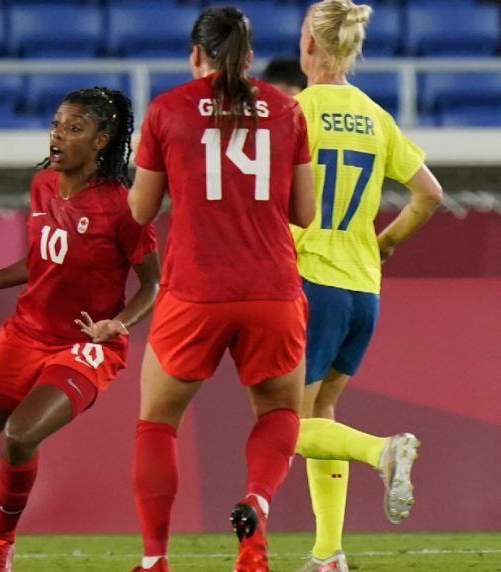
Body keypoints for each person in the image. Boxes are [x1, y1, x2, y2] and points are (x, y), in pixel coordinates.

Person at [0, 86, 160, 572]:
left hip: (85, 344)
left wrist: (116, 325)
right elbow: (40, 263)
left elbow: (153, 283)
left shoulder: (123, 207)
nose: (58, 135)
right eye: (57, 124)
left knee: (18, 436)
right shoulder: (42, 185)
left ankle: (0, 549)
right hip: (25, 332)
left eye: (74, 127)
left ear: (102, 140)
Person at [127, 6, 316, 572]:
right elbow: (304, 211)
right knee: (279, 411)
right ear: (251, 57)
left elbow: (139, 211)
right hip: (272, 288)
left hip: (195, 289)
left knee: (158, 422)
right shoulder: (287, 109)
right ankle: (256, 506)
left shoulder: (167, 110)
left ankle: (156, 560)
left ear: (195, 55)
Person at [291, 2, 443, 570]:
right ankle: (328, 554)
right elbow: (429, 193)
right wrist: (383, 242)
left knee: (284, 427)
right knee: (321, 415)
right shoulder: (375, 115)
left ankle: (384, 450)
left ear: (309, 42)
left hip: (312, 280)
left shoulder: (296, 111)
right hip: (363, 289)